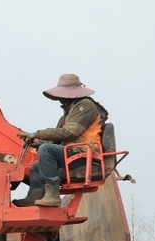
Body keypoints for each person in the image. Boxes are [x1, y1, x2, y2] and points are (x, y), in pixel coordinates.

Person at [13, 73, 109, 207]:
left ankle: (52, 195)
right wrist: (38, 143)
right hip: (74, 152)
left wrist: (37, 133)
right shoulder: (71, 110)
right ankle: (35, 196)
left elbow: (69, 132)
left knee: (46, 150)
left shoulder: (85, 106)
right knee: (36, 166)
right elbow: (60, 138)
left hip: (84, 153)